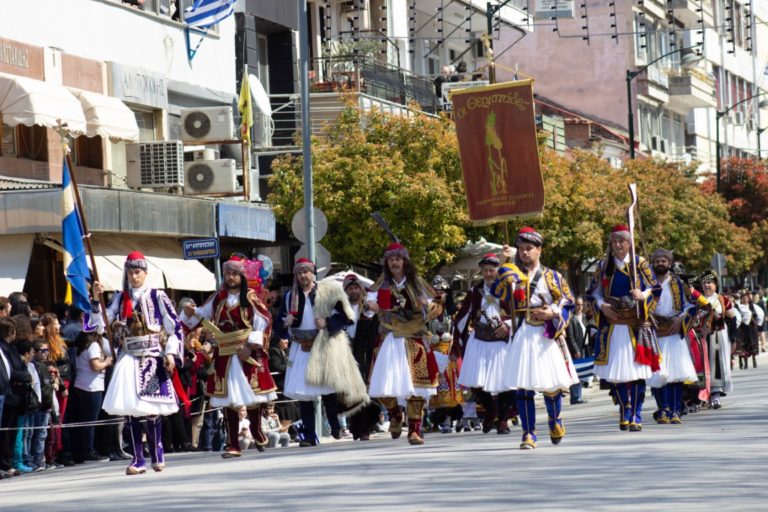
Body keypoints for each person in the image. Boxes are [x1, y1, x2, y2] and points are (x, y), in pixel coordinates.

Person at [93, 250, 180, 475]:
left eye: (138, 272)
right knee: (131, 411)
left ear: (145, 272)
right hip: (129, 356)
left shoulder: (157, 295)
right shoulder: (120, 298)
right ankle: (137, 458)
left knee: (151, 410)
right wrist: (96, 300)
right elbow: (102, 323)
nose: (134, 276)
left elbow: (174, 326)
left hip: (152, 356)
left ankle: (157, 451)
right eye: (130, 272)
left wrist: (170, 353)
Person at [180, 255, 277, 458]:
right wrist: (190, 312)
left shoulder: (251, 297)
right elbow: (201, 315)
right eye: (227, 273)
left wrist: (250, 347)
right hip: (224, 353)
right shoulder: (218, 298)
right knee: (229, 400)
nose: (231, 277)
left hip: (245, 352)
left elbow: (265, 321)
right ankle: (233, 444)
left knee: (253, 396)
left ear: (242, 276)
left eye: (235, 273)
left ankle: (257, 430)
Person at [497, 228, 576, 450]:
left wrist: (552, 312)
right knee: (523, 387)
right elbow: (498, 293)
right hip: (523, 332)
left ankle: (555, 419)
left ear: (539, 250)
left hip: (545, 334)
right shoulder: (511, 273)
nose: (524, 253)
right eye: (521, 249)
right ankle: (528, 433)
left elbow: (568, 300)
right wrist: (504, 263)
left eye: (529, 249)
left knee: (551, 384)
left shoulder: (552, 276)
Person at [276, 259, 369, 447]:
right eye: (299, 272)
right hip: (301, 346)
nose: (303, 275)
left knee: (328, 389)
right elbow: (278, 326)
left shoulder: (328, 291)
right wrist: (285, 324)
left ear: (313, 273)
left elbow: (347, 316)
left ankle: (334, 425)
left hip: (324, 344)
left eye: (306, 272)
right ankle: (310, 436)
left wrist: (328, 323)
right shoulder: (289, 296)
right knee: (305, 395)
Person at [587, 225, 661, 432]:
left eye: (622, 241)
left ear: (629, 243)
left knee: (637, 373)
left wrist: (643, 295)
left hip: (635, 325)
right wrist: (602, 306)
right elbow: (592, 293)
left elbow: (655, 288)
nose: (618, 245)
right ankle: (624, 408)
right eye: (615, 242)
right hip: (612, 325)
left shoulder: (640, 263)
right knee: (616, 373)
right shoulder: (603, 266)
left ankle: (636, 413)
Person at [366, 243, 442, 445]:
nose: (394, 263)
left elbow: (438, 306)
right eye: (391, 259)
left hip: (415, 335)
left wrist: (429, 305)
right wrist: (370, 306)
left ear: (405, 261)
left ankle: (415, 430)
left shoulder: (417, 282)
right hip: (390, 335)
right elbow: (367, 305)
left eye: (398, 259)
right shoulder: (382, 283)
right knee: (382, 382)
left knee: (418, 385)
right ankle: (395, 414)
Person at [454, 252, 514, 434]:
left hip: (501, 339)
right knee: (476, 383)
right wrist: (457, 338)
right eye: (485, 270)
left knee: (505, 382)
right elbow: (463, 316)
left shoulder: (508, 290)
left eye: (492, 270)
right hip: (479, 339)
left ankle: (502, 420)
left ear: (498, 270)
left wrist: (508, 325)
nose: (488, 274)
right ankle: (491, 410)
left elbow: (519, 312)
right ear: (481, 271)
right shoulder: (475, 292)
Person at [646, 249, 698, 424]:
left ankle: (675, 410)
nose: (660, 263)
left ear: (669, 263)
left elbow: (692, 305)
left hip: (674, 333)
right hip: (655, 333)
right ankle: (662, 409)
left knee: (675, 375)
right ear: (653, 263)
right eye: (657, 261)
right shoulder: (647, 283)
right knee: (658, 375)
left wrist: (680, 319)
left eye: (663, 261)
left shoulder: (679, 283)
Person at [343, 273, 381, 441]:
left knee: (368, 391)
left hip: (366, 352)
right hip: (348, 354)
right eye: (350, 288)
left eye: (356, 288)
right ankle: (355, 427)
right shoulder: (340, 309)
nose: (353, 291)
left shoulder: (368, 309)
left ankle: (367, 427)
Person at [68, 327, 112, 465]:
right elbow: (95, 365)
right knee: (90, 422)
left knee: (86, 420)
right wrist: (107, 362)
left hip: (83, 384)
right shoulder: (93, 345)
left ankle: (84, 450)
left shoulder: (83, 345)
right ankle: (89, 451)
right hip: (91, 386)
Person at [427, 275, 464, 434]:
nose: (439, 293)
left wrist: (455, 345)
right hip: (434, 350)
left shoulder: (453, 312)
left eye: (442, 291)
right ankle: (438, 420)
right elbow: (422, 327)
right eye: (436, 290)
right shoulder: (428, 311)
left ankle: (453, 418)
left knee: (451, 385)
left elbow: (459, 329)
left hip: (449, 351)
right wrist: (429, 337)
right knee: (437, 384)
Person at [699, 272, 737, 409]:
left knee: (716, 363)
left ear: (715, 285)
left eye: (710, 282)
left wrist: (733, 339)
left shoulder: (722, 300)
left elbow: (732, 318)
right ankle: (701, 394)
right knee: (701, 363)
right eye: (704, 283)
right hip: (700, 335)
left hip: (718, 335)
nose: (707, 285)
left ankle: (715, 393)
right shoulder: (697, 299)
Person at [39, 313, 71, 467]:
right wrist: (63, 386)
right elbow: (53, 366)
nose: (58, 326)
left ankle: (58, 450)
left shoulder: (60, 340)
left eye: (58, 322)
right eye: (55, 323)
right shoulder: (46, 343)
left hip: (66, 380)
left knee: (60, 418)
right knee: (54, 417)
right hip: (57, 383)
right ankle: (52, 451)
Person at [29, 338, 54, 472]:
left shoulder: (44, 366)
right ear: (36, 352)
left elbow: (48, 387)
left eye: (47, 350)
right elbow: (42, 388)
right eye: (43, 351)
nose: (45, 353)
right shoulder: (35, 366)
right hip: (40, 406)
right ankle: (37, 460)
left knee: (43, 433)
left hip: (46, 405)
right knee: (39, 434)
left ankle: (40, 459)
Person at [565, 297, 588, 404]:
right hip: (576, 350)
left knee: (580, 373)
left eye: (581, 305)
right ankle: (575, 397)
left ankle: (578, 395)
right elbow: (570, 337)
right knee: (575, 373)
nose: (579, 307)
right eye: (577, 304)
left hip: (583, 348)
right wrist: (576, 350)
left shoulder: (583, 317)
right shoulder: (571, 318)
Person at [735, 292, 764, 369]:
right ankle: (744, 362)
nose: (745, 300)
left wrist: (756, 322)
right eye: (743, 298)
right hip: (742, 328)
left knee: (752, 343)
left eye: (746, 298)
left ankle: (754, 360)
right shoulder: (738, 307)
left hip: (751, 328)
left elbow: (759, 315)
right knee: (743, 344)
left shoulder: (753, 306)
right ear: (741, 299)